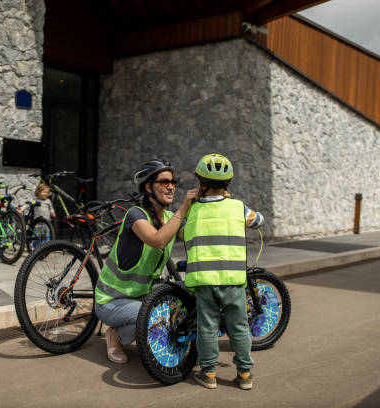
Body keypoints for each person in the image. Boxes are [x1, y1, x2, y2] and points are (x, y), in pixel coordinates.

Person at [94, 159, 197, 364]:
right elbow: (158, 240)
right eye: (164, 181)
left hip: (140, 297)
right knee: (156, 315)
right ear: (148, 187)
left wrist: (211, 203)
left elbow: (192, 234)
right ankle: (116, 335)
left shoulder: (169, 217)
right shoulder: (135, 215)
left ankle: (130, 328)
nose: (171, 186)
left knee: (183, 306)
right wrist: (184, 207)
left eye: (173, 182)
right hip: (111, 301)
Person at [183, 153, 264, 391]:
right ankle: (245, 374)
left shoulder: (193, 209)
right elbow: (258, 220)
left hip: (204, 279)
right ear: (228, 184)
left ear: (200, 183)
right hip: (233, 279)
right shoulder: (238, 207)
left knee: (206, 326)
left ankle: (208, 374)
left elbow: (181, 232)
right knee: (239, 326)